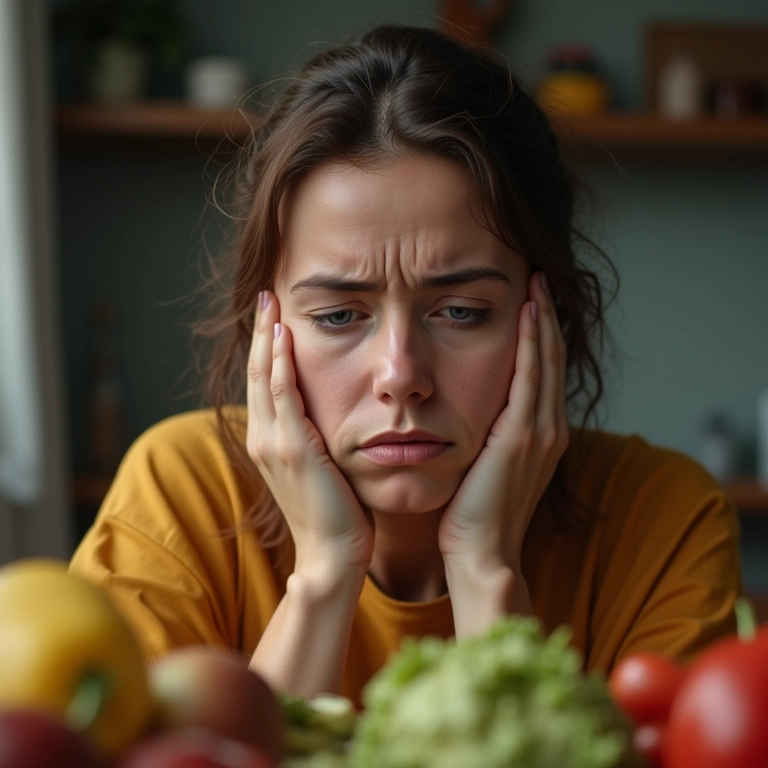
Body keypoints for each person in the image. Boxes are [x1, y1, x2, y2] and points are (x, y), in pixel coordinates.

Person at [69, 24, 742, 708]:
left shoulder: (662, 521)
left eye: (461, 312)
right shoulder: (179, 495)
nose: (400, 375)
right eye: (339, 316)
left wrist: (485, 570)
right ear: (268, 327)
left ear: (547, 314)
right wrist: (323, 575)